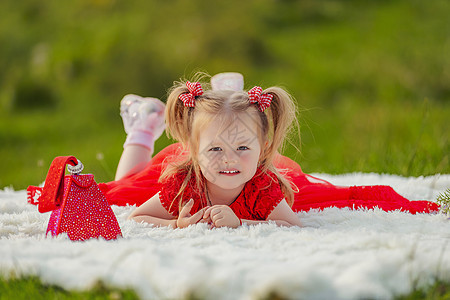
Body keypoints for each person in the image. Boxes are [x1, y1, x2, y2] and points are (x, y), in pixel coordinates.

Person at [98, 72, 439, 228]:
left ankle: (230, 97)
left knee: (308, 191)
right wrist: (178, 225)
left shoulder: (263, 187)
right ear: (189, 146)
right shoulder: (183, 182)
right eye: (217, 148)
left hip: (257, 165)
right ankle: (144, 126)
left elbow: (295, 226)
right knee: (127, 186)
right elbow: (137, 217)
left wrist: (240, 222)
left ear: (263, 147)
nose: (230, 159)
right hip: (186, 165)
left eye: (242, 146)